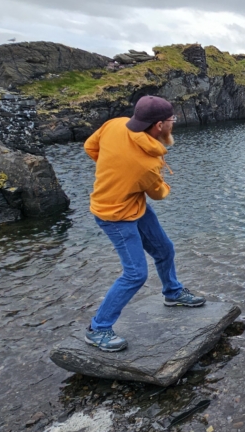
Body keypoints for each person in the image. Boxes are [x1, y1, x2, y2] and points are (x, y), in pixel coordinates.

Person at [82, 95, 205, 352]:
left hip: (133, 203)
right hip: (114, 215)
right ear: (159, 125)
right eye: (172, 119)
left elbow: (90, 147)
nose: (174, 122)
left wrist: (115, 172)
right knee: (136, 273)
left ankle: (173, 293)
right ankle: (99, 328)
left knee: (164, 249)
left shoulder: (115, 124)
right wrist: (135, 177)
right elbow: (159, 193)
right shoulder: (146, 164)